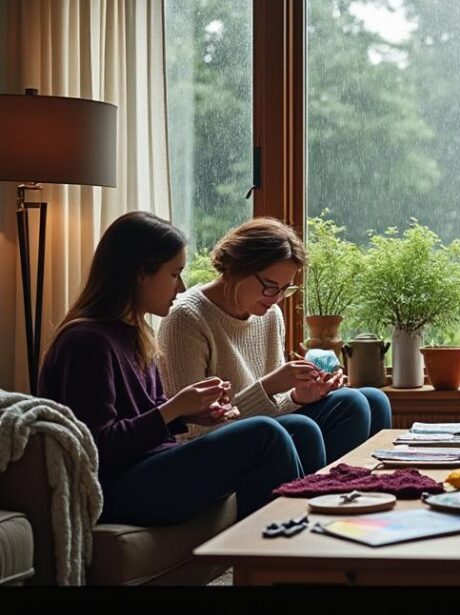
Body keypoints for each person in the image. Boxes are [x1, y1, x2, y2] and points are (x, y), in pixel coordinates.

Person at [37, 211, 305, 525]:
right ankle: (277, 560)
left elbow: (144, 417)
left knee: (298, 429)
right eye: (174, 274)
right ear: (141, 274)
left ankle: (305, 548)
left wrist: (189, 414)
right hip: (114, 487)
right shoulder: (86, 342)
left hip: (152, 463)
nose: (180, 288)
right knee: (265, 434)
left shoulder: (136, 333)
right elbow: (99, 449)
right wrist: (173, 410)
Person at [157, 218, 391, 474]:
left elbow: (274, 406)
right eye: (270, 287)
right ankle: (328, 499)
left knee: (373, 399)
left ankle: (366, 493)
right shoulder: (186, 318)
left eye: (285, 289)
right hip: (213, 444)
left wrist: (298, 395)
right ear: (237, 269)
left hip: (263, 427)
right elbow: (191, 427)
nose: (278, 299)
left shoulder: (269, 315)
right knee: (345, 406)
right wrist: (268, 387)